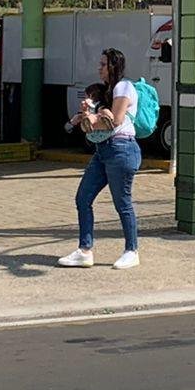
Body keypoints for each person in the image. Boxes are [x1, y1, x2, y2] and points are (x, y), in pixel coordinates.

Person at [58, 49, 142, 271]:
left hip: (121, 149)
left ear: (113, 66)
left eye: (103, 64)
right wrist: (87, 115)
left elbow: (116, 120)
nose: (99, 68)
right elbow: (96, 124)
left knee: (122, 202)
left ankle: (131, 251)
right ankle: (84, 251)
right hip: (103, 150)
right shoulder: (105, 91)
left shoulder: (124, 87)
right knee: (83, 198)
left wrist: (94, 117)